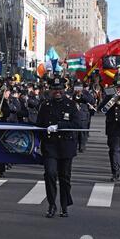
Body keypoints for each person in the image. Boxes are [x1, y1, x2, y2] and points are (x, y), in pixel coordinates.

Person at [36, 76, 82, 218]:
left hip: (66, 145)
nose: (57, 91)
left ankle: (64, 206)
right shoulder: (45, 105)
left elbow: (77, 124)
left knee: (65, 177)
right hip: (50, 146)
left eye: (60, 89)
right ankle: (51, 205)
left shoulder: (71, 105)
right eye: (55, 89)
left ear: (64, 89)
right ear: (51, 90)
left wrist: (59, 126)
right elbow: (39, 124)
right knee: (50, 174)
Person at [72, 80, 96, 153]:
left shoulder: (85, 93)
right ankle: (74, 146)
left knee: (83, 132)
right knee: (74, 132)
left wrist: (82, 95)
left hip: (83, 115)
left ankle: (82, 146)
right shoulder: (72, 93)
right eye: (76, 87)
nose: (78, 89)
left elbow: (92, 101)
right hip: (74, 114)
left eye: (79, 87)